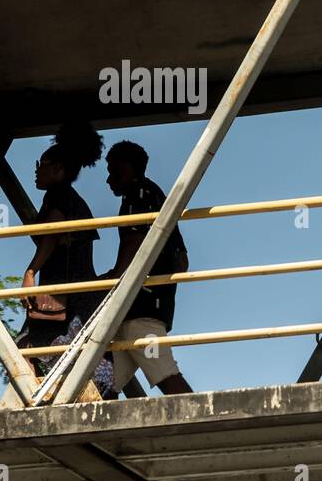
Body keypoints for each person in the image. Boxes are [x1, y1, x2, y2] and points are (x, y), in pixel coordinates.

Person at [18, 122, 117, 398]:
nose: (37, 169)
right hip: (75, 292)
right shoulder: (71, 198)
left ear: (58, 169)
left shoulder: (59, 197)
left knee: (27, 348)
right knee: (80, 354)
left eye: (42, 163)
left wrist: (30, 272)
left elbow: (52, 233)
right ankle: (65, 398)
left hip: (65, 293)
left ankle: (39, 401)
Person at [100, 140, 193, 396]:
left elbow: (135, 239)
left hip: (140, 309)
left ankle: (210, 427)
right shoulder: (157, 196)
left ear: (128, 168)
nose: (109, 179)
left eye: (113, 170)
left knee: (167, 378)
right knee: (101, 386)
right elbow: (183, 260)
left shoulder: (137, 194)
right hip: (147, 306)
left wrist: (116, 276)